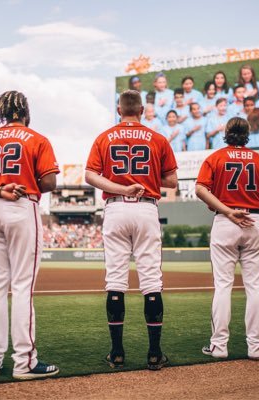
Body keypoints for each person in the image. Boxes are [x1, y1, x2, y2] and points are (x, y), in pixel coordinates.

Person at [0, 91, 60, 380]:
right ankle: (24, 362)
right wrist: (22, 184)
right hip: (21, 206)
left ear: (1, 113)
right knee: (21, 287)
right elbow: (50, 182)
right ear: (25, 112)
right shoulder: (37, 139)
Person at [85, 90, 178, 371]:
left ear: (118, 109)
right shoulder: (158, 139)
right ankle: (154, 354)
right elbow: (172, 180)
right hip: (146, 207)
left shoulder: (104, 137)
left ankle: (117, 353)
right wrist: (145, 178)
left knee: (115, 280)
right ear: (141, 110)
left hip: (115, 208)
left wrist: (122, 187)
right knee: (151, 280)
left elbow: (90, 175)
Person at [196, 117, 259, 360]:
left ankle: (219, 346)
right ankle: (256, 347)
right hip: (253, 221)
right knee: (255, 287)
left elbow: (200, 189)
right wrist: (251, 197)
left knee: (223, 286)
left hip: (225, 220)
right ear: (247, 134)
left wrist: (228, 209)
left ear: (226, 133)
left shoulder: (215, 158)